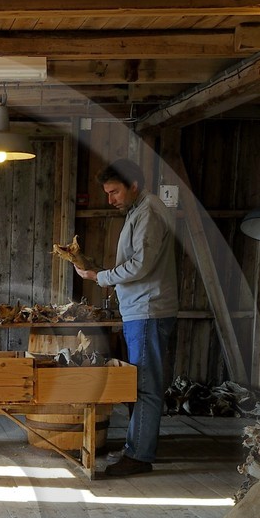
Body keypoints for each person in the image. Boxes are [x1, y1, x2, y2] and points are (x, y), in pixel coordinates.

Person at [74, 159, 177, 476]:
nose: (110, 199)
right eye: (107, 193)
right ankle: (139, 447)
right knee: (144, 383)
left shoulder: (148, 211)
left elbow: (140, 266)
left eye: (115, 191)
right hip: (141, 308)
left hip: (148, 310)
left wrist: (99, 276)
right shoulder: (138, 210)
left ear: (134, 185)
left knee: (146, 385)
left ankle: (139, 457)